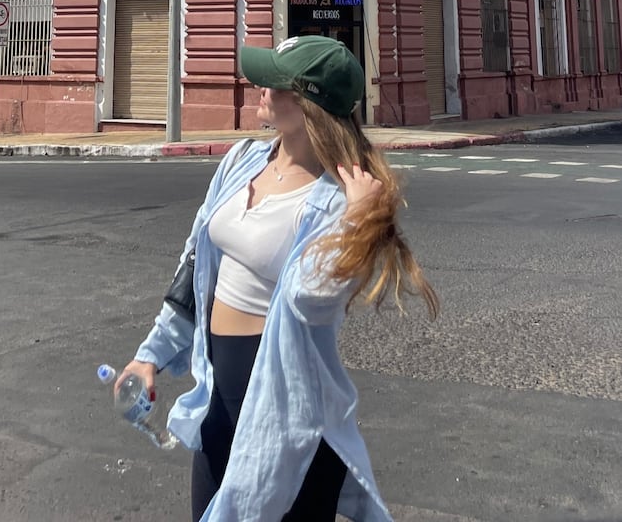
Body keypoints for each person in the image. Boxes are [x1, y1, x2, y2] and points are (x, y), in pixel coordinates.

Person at [118, 35, 438, 522]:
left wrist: (357, 220)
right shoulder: (242, 159)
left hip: (288, 411)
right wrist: (149, 357)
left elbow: (312, 300)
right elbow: (195, 263)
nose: (259, 87)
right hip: (217, 397)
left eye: (273, 80)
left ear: (308, 104)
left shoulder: (340, 197)